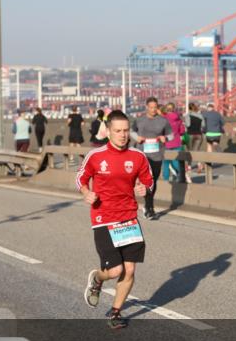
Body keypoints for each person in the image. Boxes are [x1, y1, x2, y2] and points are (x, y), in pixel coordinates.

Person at [76, 109, 154, 329]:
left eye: (126, 130)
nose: (123, 135)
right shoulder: (96, 155)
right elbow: (80, 177)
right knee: (115, 271)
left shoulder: (138, 156)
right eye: (118, 131)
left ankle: (115, 312)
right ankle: (98, 278)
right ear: (108, 131)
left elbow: (149, 180)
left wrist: (144, 188)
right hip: (104, 218)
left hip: (128, 218)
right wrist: (86, 193)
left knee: (130, 270)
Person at [130, 96, 173, 219]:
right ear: (146, 107)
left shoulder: (163, 121)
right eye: (151, 107)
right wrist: (137, 138)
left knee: (153, 181)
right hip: (142, 155)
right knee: (145, 181)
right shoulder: (140, 120)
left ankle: (148, 206)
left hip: (157, 155)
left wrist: (165, 138)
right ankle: (150, 207)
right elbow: (131, 131)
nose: (153, 110)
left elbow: (171, 135)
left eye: (155, 107)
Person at [162, 103, 187, 183]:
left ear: (166, 109)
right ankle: (181, 177)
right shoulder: (178, 118)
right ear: (173, 109)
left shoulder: (163, 119)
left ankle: (165, 180)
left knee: (166, 163)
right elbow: (182, 131)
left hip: (166, 143)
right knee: (176, 161)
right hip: (177, 142)